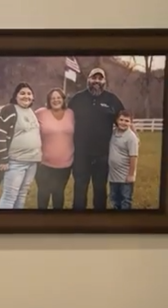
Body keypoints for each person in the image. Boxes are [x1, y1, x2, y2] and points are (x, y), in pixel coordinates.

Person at [67, 67, 126, 210]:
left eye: (100, 78)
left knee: (100, 189)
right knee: (80, 187)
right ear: (88, 80)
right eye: (94, 78)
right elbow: (65, 121)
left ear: (105, 81)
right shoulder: (77, 99)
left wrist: (134, 137)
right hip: (81, 154)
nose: (97, 81)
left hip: (103, 154)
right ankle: (78, 220)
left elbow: (124, 119)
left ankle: (99, 219)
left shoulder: (112, 100)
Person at [0, 82, 43, 209]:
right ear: (16, 96)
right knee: (10, 196)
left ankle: (16, 223)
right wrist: (2, 158)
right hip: (15, 161)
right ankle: (5, 226)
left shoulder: (31, 111)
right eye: (23, 93)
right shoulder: (9, 109)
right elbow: (0, 135)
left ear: (33, 97)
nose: (26, 96)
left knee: (22, 195)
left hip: (32, 161)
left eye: (29, 94)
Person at [34, 87, 75, 209]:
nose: (56, 100)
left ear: (63, 99)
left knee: (58, 194)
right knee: (43, 194)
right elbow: (25, 122)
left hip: (65, 164)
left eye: (58, 98)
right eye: (53, 98)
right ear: (48, 100)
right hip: (44, 164)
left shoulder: (71, 114)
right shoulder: (40, 113)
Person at [108, 109, 139, 210]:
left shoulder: (131, 138)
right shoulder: (113, 133)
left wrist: (131, 174)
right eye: (121, 120)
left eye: (127, 121)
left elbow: (133, 157)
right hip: (113, 176)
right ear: (117, 120)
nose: (123, 123)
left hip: (125, 177)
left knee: (125, 201)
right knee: (114, 200)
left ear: (131, 123)